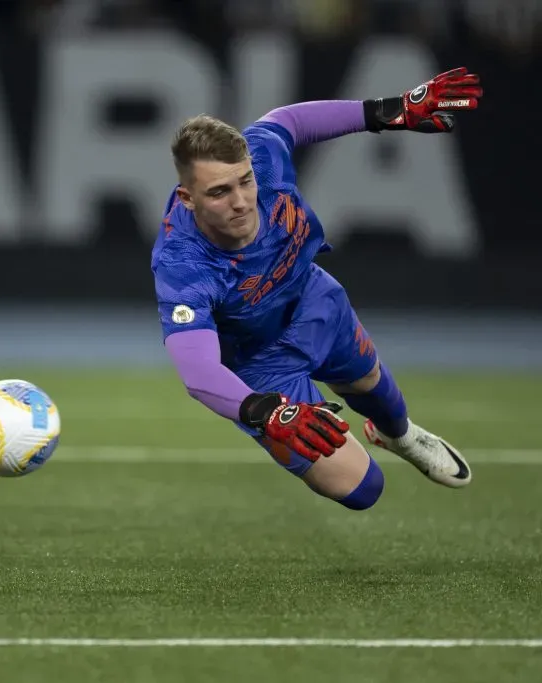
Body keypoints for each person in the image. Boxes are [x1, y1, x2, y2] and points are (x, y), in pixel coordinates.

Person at [152, 68, 482, 510]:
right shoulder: (182, 263)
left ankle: (399, 435)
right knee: (362, 490)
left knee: (370, 384)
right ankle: (355, 435)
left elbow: (289, 121)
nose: (241, 201)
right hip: (260, 364)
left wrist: (385, 112)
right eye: (219, 191)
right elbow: (198, 372)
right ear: (187, 198)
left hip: (310, 298)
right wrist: (265, 411)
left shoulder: (263, 158)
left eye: (245, 181)